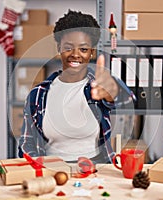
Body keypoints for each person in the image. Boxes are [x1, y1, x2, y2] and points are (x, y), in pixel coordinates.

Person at [18, 10, 136, 163]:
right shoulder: (38, 94)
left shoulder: (97, 88)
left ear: (92, 53)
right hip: (53, 171)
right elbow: (26, 143)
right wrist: (40, 166)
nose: (75, 54)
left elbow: (128, 101)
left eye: (84, 49)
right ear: (59, 48)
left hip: (96, 171)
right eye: (68, 47)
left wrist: (112, 92)